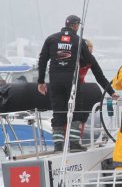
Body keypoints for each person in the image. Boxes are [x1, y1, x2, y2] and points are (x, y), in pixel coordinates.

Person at [37, 15, 92, 153]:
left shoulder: (51, 39)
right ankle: (73, 144)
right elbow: (89, 60)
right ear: (75, 26)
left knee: (58, 111)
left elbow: (42, 60)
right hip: (71, 80)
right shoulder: (78, 40)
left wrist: (41, 81)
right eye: (78, 25)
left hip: (55, 81)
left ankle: (58, 146)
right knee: (77, 109)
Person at [78, 39, 119, 132]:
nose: (90, 55)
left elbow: (100, 77)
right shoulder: (74, 58)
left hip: (81, 84)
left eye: (91, 52)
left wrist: (112, 93)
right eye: (88, 52)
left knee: (83, 113)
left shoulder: (91, 59)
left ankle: (78, 135)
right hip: (69, 85)